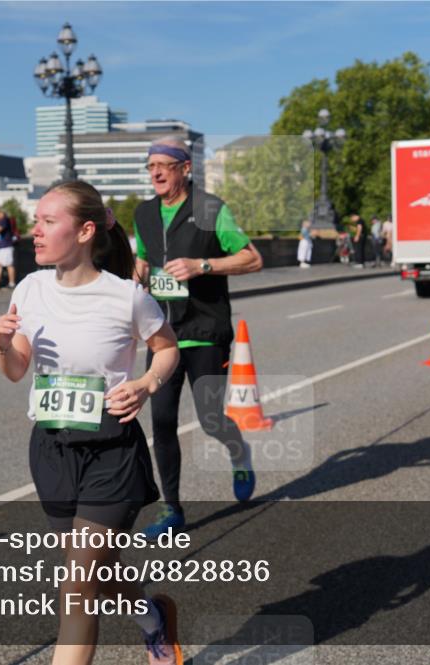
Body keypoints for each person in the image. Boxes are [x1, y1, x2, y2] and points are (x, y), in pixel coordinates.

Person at [0, 180, 183, 665]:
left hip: (111, 450)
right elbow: (16, 371)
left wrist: (145, 385)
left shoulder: (126, 297)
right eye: (36, 221)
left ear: (84, 231)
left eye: (48, 222)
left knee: (77, 586)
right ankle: (153, 619)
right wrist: (0, 345)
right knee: (98, 572)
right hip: (51, 450)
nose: (35, 231)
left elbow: (168, 349)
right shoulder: (30, 288)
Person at [132, 136, 264, 538]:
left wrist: (202, 265)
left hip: (205, 331)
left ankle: (238, 451)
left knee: (210, 420)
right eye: (150, 165)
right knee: (163, 422)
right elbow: (142, 261)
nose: (155, 172)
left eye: (163, 165)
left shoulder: (210, 209)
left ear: (184, 169)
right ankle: (170, 508)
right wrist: (128, 287)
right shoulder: (144, 213)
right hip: (163, 336)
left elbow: (252, 258)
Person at [0, 207, 17, 289]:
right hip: (3, 246)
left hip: (6, 246)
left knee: (9, 265)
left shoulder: (4, 220)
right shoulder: (2, 220)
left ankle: (12, 283)